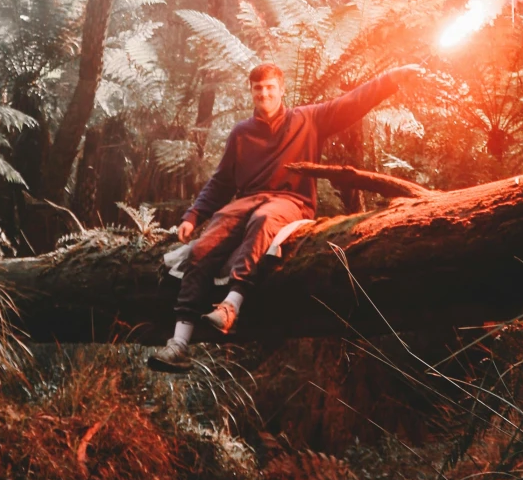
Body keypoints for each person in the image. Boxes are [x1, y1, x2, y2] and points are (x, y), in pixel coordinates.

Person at [147, 56, 430, 370]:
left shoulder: (308, 119)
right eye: (258, 89)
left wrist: (392, 77)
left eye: (270, 88)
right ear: (251, 92)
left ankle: (231, 305)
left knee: (263, 220)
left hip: (290, 200)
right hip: (247, 200)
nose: (264, 95)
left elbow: (352, 102)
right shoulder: (241, 133)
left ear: (282, 90)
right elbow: (222, 181)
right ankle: (179, 344)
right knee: (203, 247)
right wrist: (193, 215)